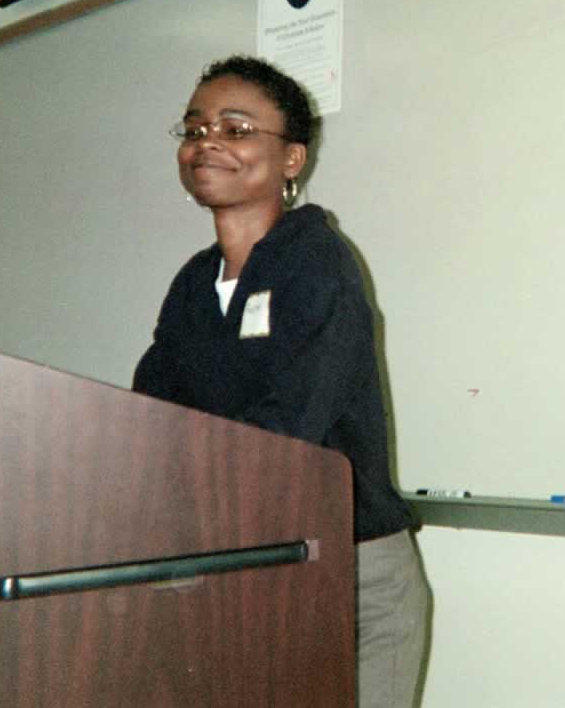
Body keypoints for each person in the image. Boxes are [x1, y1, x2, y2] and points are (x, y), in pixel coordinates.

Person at [133, 55, 429, 707]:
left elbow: (288, 428)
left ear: (292, 159)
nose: (208, 142)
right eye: (195, 129)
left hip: (353, 575)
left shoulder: (317, 262)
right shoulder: (193, 284)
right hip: (246, 561)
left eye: (236, 129)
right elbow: (150, 415)